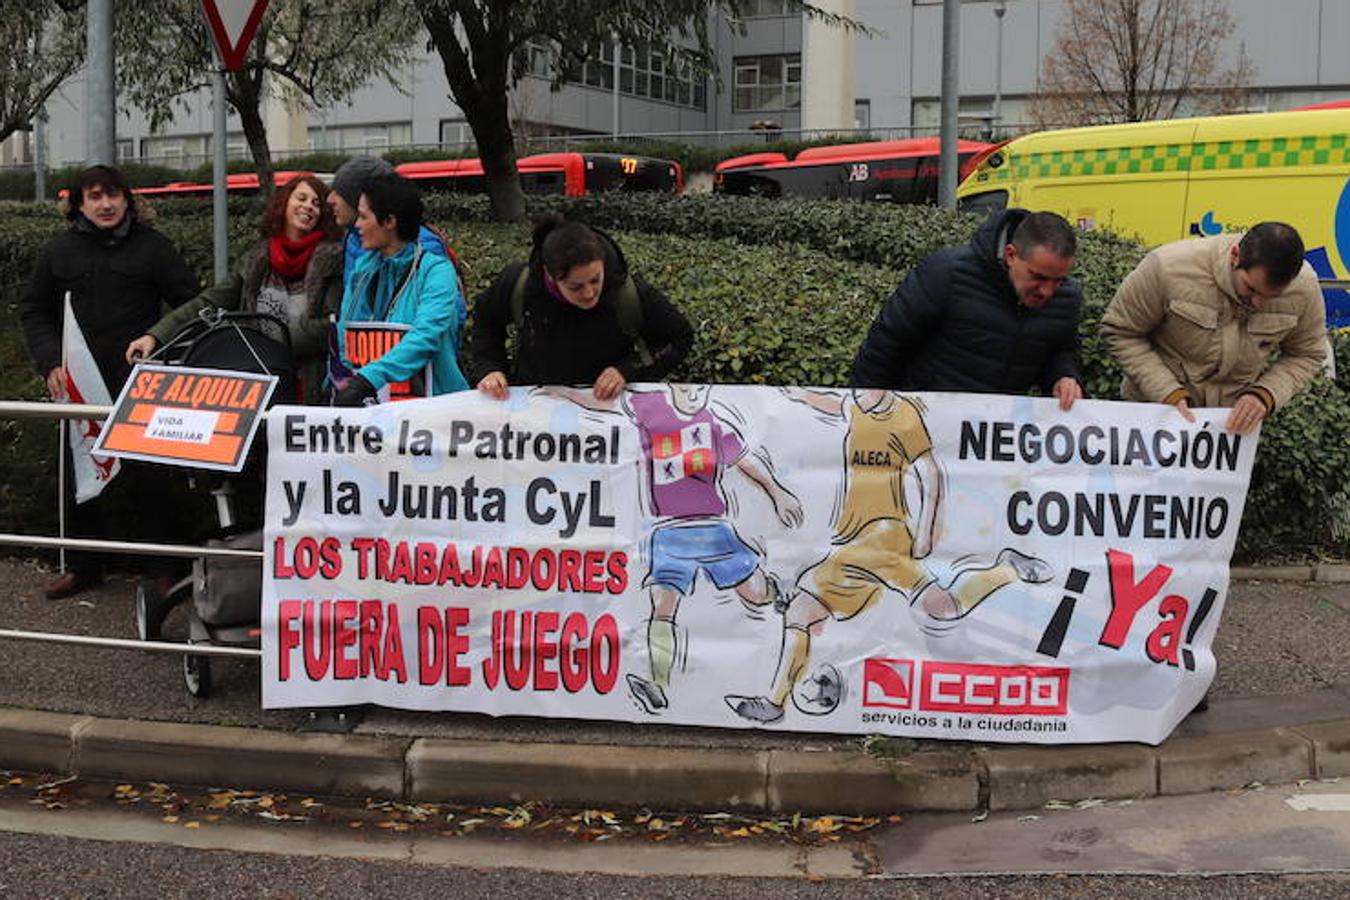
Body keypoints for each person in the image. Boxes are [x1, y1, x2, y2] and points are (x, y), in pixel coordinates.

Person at [725, 387, 1053, 725]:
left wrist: (928, 529)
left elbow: (931, 472)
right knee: (942, 606)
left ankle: (775, 701)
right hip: (851, 539)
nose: (859, 392)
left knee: (802, 606)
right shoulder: (855, 406)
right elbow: (832, 402)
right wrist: (792, 394)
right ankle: (1006, 569)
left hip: (884, 534)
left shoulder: (903, 414)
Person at [20, 165, 200, 599]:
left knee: (152, 479)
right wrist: (49, 363)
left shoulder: (154, 249)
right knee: (82, 479)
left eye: (113, 195)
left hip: (139, 384)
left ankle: (164, 570)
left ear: (127, 200)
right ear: (79, 204)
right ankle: (84, 566)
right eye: (95, 196)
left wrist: (161, 344)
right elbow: (33, 311)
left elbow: (191, 304)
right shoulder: (58, 251)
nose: (105, 204)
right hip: (80, 388)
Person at [126, 174, 343, 404]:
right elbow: (208, 303)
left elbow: (332, 325)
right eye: (301, 198)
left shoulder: (333, 261)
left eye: (316, 203)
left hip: (310, 386)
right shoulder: (256, 258)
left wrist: (272, 342)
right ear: (285, 203)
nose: (308, 206)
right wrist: (156, 336)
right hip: (257, 381)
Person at [1101, 221, 1327, 435]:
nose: (1258, 303)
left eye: (1272, 296)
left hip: (1229, 433)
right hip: (1154, 415)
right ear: (1235, 255)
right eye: (1251, 289)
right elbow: (1121, 331)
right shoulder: (1168, 267)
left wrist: (1265, 394)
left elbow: (1307, 354)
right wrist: (1166, 391)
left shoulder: (1304, 287)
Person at [850, 208, 1084, 409]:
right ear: (1010, 255)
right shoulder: (947, 273)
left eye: (1059, 281)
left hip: (993, 440)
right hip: (924, 419)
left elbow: (1059, 350)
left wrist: (1063, 377)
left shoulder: (1067, 299)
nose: (1048, 291)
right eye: (1038, 277)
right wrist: (865, 411)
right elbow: (886, 344)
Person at [470, 215, 695, 400]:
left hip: (607, 415)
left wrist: (628, 369)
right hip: (534, 415)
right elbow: (485, 321)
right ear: (550, 276)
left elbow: (680, 337)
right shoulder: (519, 284)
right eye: (575, 287)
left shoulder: (628, 291)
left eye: (596, 279)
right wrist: (490, 368)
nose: (589, 294)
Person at [331, 174, 468, 405]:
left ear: (389, 221)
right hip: (371, 411)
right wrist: (342, 382)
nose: (357, 225)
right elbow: (346, 334)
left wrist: (367, 380)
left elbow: (425, 338)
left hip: (432, 414)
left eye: (364, 216)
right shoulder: (362, 270)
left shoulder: (437, 273)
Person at [327, 156, 450, 276]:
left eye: (339, 193)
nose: (329, 199)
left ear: (360, 199)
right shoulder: (353, 237)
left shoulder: (424, 246)